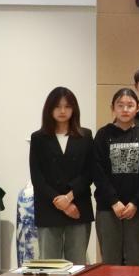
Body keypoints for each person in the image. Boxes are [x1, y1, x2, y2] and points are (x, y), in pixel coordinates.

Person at [29, 87, 94, 264]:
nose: (62, 111)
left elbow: (89, 172)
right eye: (57, 106)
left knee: (77, 263)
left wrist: (69, 197)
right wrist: (60, 201)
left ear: (74, 109)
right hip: (48, 206)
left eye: (67, 106)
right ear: (49, 109)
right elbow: (37, 177)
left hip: (78, 205)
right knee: (49, 265)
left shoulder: (85, 135)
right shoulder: (38, 138)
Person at [94, 88, 139, 266]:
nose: (125, 109)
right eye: (120, 105)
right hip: (108, 208)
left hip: (136, 209)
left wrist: (135, 202)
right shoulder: (103, 135)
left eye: (130, 105)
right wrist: (114, 201)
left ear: (137, 108)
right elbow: (97, 171)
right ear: (113, 108)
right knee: (110, 261)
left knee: (135, 260)